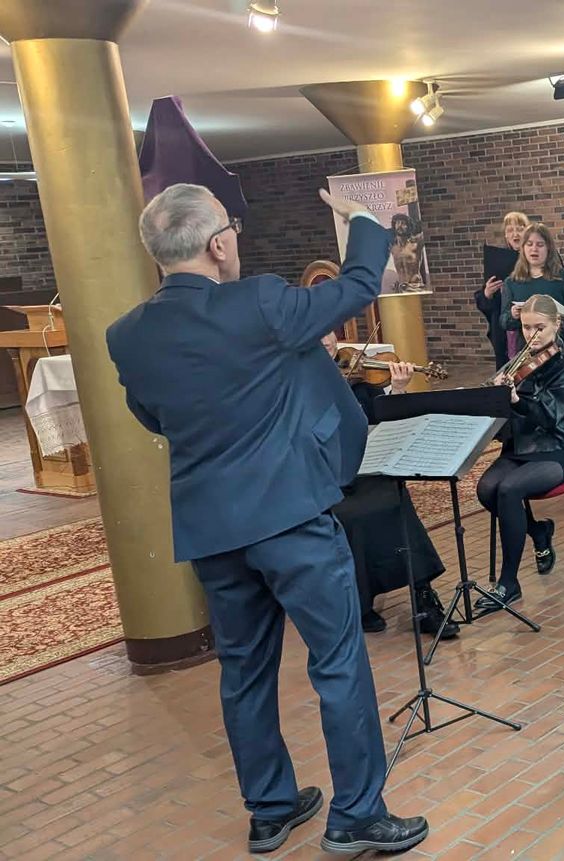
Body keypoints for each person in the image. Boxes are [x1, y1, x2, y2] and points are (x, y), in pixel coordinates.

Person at [105, 184, 428, 854]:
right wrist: (363, 219)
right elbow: (359, 284)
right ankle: (357, 814)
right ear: (218, 243)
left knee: (244, 670)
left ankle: (270, 809)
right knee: (337, 659)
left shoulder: (127, 334)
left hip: (210, 528)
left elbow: (151, 415)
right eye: (232, 227)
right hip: (289, 516)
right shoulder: (259, 302)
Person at [322, 333, 458, 640]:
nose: (325, 340)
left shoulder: (358, 381)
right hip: (326, 478)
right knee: (352, 515)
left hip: (364, 470)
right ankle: (360, 602)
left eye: (328, 331)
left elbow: (386, 422)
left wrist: (396, 389)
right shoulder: (298, 382)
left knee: (395, 498)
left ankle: (423, 598)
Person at [475, 294, 564, 608]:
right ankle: (539, 532)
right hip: (525, 445)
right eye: (526, 328)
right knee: (487, 489)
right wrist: (492, 394)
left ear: (557, 324)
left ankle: (509, 583)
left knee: (510, 489)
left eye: (539, 327)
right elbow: (498, 406)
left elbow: (550, 417)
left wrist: (517, 400)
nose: (532, 335)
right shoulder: (520, 361)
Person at [501, 223, 564, 365]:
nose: (534, 249)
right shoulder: (511, 282)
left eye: (540, 244)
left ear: (548, 248)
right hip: (529, 354)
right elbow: (503, 320)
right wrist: (513, 315)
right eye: (529, 244)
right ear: (523, 248)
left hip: (561, 349)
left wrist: (553, 317)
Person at [477, 211, 529, 369]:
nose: (515, 234)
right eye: (510, 230)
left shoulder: (538, 256)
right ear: (506, 236)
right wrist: (487, 293)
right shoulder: (498, 261)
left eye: (520, 229)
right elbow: (484, 301)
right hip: (505, 329)